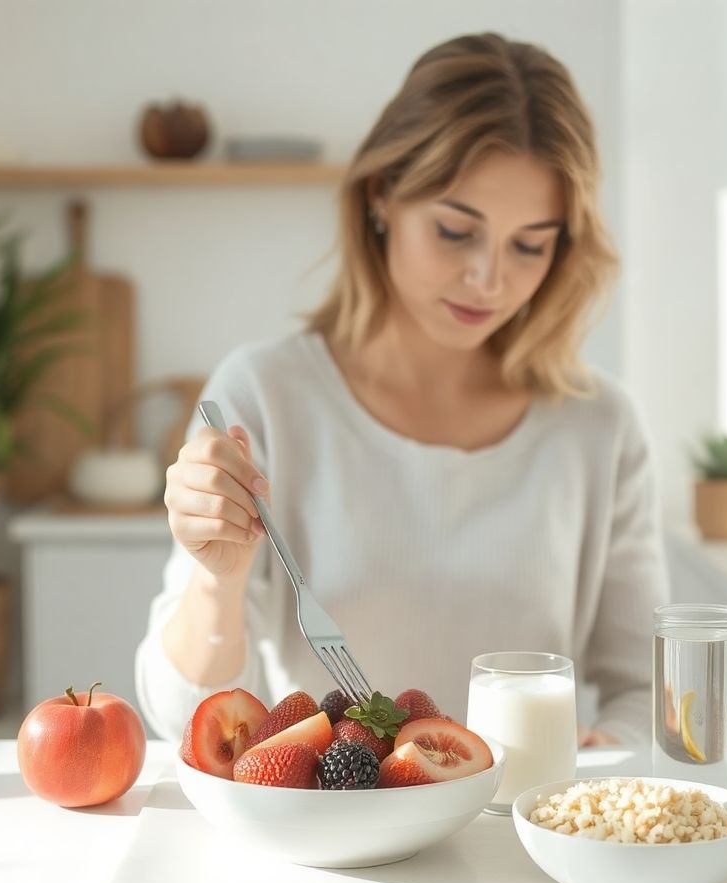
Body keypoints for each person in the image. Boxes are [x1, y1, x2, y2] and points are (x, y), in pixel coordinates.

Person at [134, 32, 668, 748]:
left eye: (529, 244)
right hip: (332, 819)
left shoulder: (599, 426)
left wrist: (606, 750)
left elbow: (649, 693)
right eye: (455, 230)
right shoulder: (264, 395)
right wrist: (217, 582)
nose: (489, 279)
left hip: (523, 818)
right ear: (381, 194)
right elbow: (180, 717)